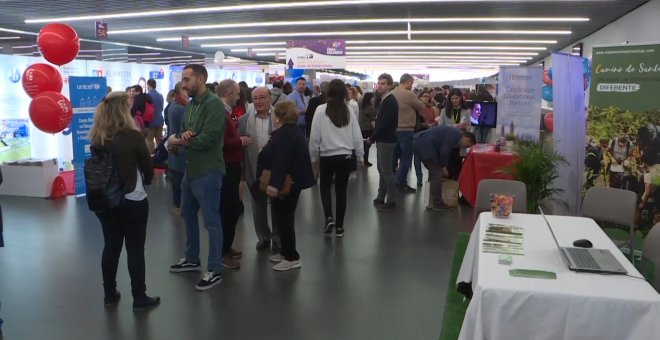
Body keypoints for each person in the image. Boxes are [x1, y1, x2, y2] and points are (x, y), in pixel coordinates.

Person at [87, 91, 159, 310]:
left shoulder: (97, 136)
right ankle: (139, 297)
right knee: (135, 249)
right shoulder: (133, 136)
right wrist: (145, 179)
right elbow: (148, 169)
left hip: (106, 200)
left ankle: (109, 294)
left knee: (111, 246)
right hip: (132, 199)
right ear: (123, 109)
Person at [167, 64, 226, 291]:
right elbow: (185, 132)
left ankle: (215, 268)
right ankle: (192, 258)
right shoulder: (190, 106)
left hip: (208, 171)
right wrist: (183, 138)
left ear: (200, 79)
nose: (183, 84)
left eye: (187, 79)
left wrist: (182, 140)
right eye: (183, 79)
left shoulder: (214, 105)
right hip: (190, 171)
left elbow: (208, 138)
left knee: (211, 221)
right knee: (187, 214)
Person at [257, 101, 315, 271]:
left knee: (285, 219)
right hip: (292, 181)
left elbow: (281, 162)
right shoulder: (291, 132)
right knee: (283, 218)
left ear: (279, 117)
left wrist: (273, 185)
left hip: (286, 183)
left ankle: (292, 256)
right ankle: (285, 251)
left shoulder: (284, 135)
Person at [309, 79, 364, 238]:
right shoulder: (348, 111)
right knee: (341, 191)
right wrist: (360, 155)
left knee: (325, 188)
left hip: (327, 156)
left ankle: (329, 217)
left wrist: (313, 157)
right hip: (345, 156)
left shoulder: (320, 110)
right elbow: (357, 136)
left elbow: (314, 137)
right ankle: (340, 227)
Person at [239, 87, 279, 252]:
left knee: (277, 206)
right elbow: (239, 147)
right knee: (258, 206)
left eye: (262, 97)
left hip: (276, 169)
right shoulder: (243, 120)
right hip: (254, 169)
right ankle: (263, 237)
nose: (258, 101)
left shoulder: (280, 117)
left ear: (270, 98)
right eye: (255, 98)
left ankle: (278, 238)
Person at [216, 79, 248, 269]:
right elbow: (220, 142)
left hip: (232, 167)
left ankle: (226, 247)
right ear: (228, 93)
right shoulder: (220, 113)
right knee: (228, 210)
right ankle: (222, 251)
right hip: (226, 168)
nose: (238, 97)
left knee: (231, 209)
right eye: (236, 93)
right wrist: (240, 141)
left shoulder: (226, 112)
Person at [413, 125, 476, 210]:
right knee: (437, 173)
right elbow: (444, 152)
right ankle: (437, 203)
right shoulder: (455, 135)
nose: (465, 148)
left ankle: (430, 201)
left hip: (420, 141)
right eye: (467, 146)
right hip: (426, 145)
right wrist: (443, 167)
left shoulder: (454, 133)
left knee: (433, 172)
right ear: (466, 139)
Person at [367, 73, 399, 211]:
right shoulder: (384, 100)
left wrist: (372, 137)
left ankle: (391, 200)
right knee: (382, 170)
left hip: (386, 140)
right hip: (383, 139)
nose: (379, 85)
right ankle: (381, 196)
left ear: (389, 86)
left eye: (383, 83)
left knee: (386, 171)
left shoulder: (390, 101)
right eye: (379, 83)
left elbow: (386, 124)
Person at [391, 73, 425, 193]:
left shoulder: (392, 92)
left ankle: (390, 181)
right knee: (406, 158)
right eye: (411, 83)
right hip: (406, 130)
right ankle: (401, 182)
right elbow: (421, 107)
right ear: (408, 82)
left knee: (394, 156)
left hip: (394, 130)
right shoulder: (409, 93)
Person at [167, 83, 188, 216]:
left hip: (175, 145)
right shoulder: (180, 109)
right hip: (180, 146)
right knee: (179, 177)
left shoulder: (173, 107)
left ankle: (178, 204)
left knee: (177, 176)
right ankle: (179, 205)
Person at [146, 79, 165, 153]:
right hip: (160, 120)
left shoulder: (148, 96)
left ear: (148, 85)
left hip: (151, 122)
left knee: (149, 140)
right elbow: (161, 108)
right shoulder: (160, 96)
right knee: (159, 141)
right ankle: (159, 156)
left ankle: (151, 157)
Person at [359, 92, 377, 167]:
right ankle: (365, 161)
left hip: (362, 127)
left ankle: (363, 160)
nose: (374, 99)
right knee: (367, 145)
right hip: (367, 128)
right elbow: (374, 115)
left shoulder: (362, 105)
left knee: (364, 145)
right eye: (373, 97)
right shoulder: (369, 108)